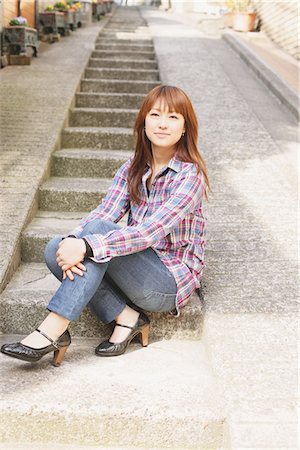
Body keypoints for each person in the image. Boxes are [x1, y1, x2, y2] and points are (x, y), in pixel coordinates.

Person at [1, 85, 210, 366]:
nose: (162, 124)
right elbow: (106, 211)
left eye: (173, 117)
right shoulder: (132, 168)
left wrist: (86, 245)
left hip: (166, 282)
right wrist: (74, 239)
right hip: (135, 268)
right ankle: (127, 317)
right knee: (56, 249)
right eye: (155, 114)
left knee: (94, 236)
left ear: (185, 128)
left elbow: (150, 232)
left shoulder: (190, 175)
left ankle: (53, 330)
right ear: (143, 122)